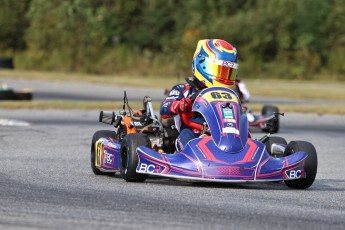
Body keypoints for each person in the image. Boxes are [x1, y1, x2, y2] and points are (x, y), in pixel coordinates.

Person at [160, 39, 239, 151]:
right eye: (221, 71)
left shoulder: (230, 95)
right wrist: (181, 104)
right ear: (203, 64)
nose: (225, 77)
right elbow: (164, 110)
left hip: (223, 136)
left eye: (229, 73)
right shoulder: (185, 90)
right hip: (193, 133)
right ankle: (193, 158)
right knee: (187, 134)